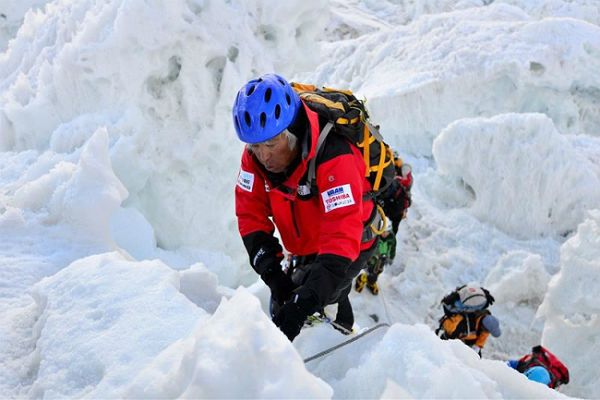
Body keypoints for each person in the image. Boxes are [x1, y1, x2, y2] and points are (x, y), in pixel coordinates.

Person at [233, 73, 379, 341]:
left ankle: (341, 357)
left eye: (271, 143)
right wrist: (273, 275)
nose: (263, 156)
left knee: (322, 305)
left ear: (291, 130)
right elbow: (249, 215)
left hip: (354, 240)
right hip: (307, 244)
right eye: (254, 145)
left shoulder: (334, 155)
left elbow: (341, 237)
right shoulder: (254, 157)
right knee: (285, 305)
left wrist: (305, 302)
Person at [354, 155, 412, 295]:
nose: (385, 233)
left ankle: (371, 281)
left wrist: (390, 257)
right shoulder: (377, 237)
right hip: (373, 258)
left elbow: (392, 247)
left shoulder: (390, 238)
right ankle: (362, 278)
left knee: (376, 272)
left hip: (381, 259)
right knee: (368, 268)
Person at [436, 284, 501, 356]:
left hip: (469, 340)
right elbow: (450, 332)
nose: (486, 331)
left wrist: (477, 346)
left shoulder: (486, 323)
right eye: (486, 329)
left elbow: (484, 335)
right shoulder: (460, 322)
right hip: (454, 338)